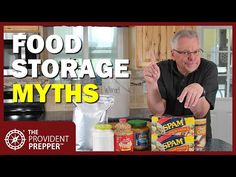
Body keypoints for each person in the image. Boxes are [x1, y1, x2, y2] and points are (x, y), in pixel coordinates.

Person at [143, 29, 218, 139]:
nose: (192, 58)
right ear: (173, 54)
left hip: (198, 140)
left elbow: (200, 113)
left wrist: (199, 91)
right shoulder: (161, 69)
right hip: (167, 138)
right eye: (186, 53)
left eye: (196, 51)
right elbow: (157, 111)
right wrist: (152, 84)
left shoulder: (209, 68)